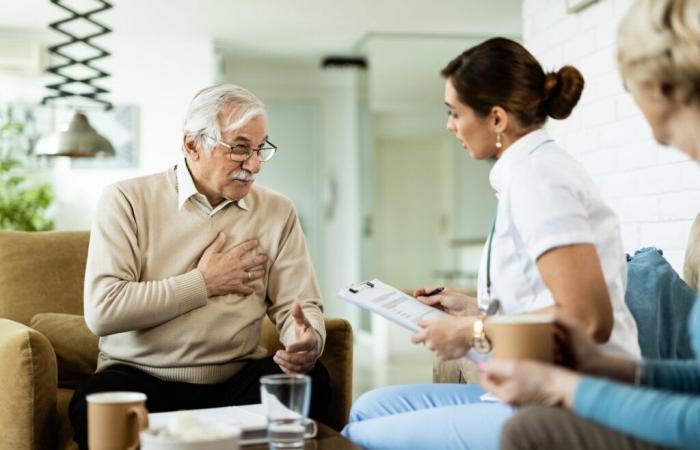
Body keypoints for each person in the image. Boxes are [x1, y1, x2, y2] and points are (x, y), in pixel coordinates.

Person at [342, 37, 640, 450]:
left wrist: (471, 330)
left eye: (455, 112)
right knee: (367, 407)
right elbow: (543, 297)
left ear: (497, 118)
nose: (449, 125)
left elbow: (588, 318)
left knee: (359, 436)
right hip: (539, 386)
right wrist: (472, 307)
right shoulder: (525, 174)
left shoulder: (540, 179)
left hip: (577, 401)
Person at [480, 1, 700, 449]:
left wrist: (566, 386)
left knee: (528, 430)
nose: (660, 137)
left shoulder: (540, 174)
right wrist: (616, 370)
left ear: (664, 90)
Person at [69, 84, 330, 450]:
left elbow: (298, 306)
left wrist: (307, 340)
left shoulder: (277, 211)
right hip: (142, 378)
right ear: (192, 145)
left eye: (260, 150)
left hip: (237, 380)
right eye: (240, 148)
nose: (254, 165)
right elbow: (103, 311)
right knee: (94, 403)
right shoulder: (126, 200)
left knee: (312, 378)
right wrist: (204, 283)